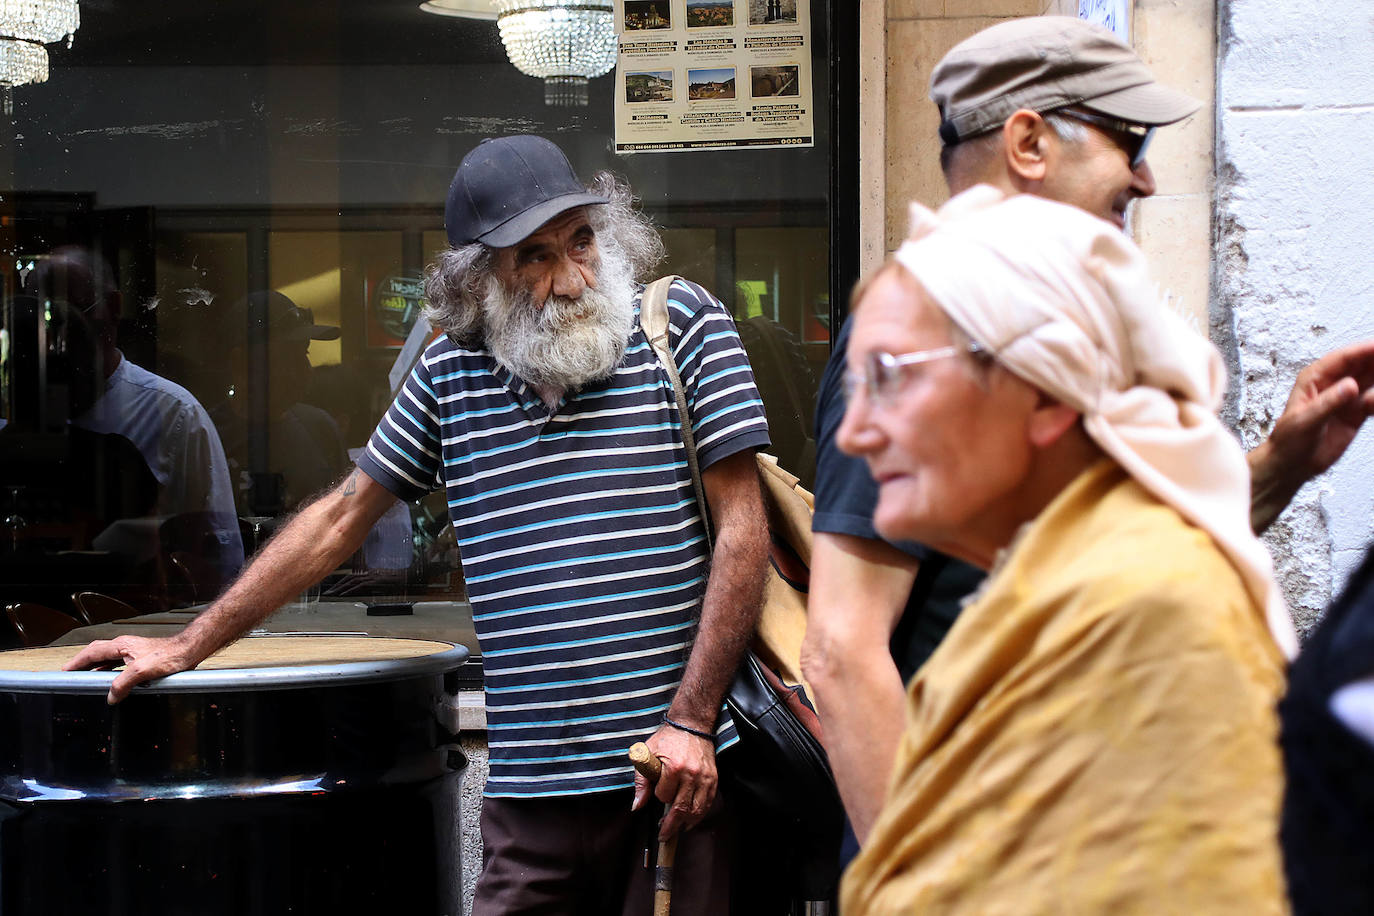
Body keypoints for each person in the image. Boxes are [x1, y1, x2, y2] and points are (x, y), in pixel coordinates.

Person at [66, 134, 771, 915]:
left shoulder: (683, 328)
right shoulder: (450, 375)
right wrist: (184, 646)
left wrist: (692, 722)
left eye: (581, 240)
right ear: (481, 281)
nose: (572, 278)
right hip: (531, 800)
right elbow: (339, 520)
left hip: (672, 781)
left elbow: (744, 528)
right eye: (534, 258)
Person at [802, 14, 1374, 845]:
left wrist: (1284, 464)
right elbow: (843, 652)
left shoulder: (1076, 338)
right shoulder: (929, 335)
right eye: (1128, 141)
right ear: (1029, 144)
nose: (1144, 180)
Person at [839, 185, 1291, 913]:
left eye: (889, 378)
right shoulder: (1046, 594)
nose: (852, 433)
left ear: (1045, 393)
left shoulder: (1153, 613)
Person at [24, 247, 244, 589]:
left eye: (75, 313)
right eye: (44, 316)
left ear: (112, 308)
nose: (58, 338)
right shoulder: (15, 412)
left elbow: (220, 553)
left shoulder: (173, 415)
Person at [211, 291, 349, 519]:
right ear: (241, 363)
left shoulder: (322, 430)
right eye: (287, 355)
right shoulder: (209, 436)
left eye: (304, 352)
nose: (305, 368)